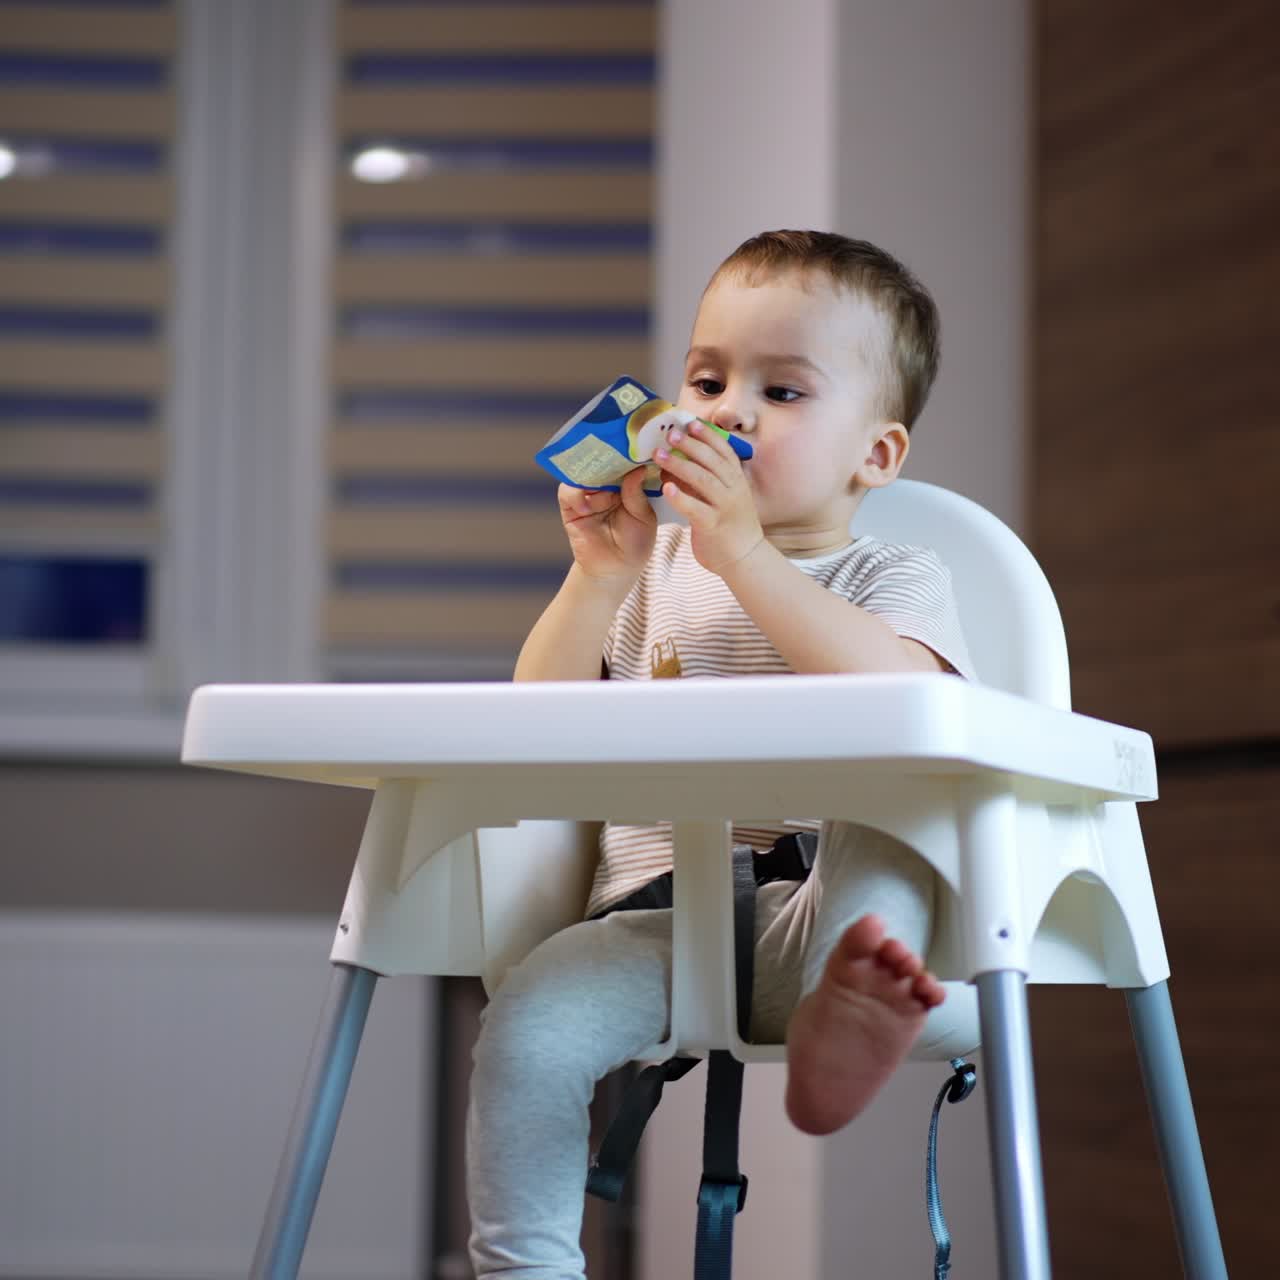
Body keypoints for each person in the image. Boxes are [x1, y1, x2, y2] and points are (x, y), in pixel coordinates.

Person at [467, 230, 975, 1278]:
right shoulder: (649, 566)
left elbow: (905, 698)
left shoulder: (894, 572)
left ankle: (840, 1021)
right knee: (524, 1030)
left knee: (889, 833)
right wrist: (597, 579)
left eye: (781, 392)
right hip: (653, 920)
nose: (725, 411)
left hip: (817, 915)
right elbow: (534, 732)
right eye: (705, 379)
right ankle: (524, 1266)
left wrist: (741, 554)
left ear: (872, 455)